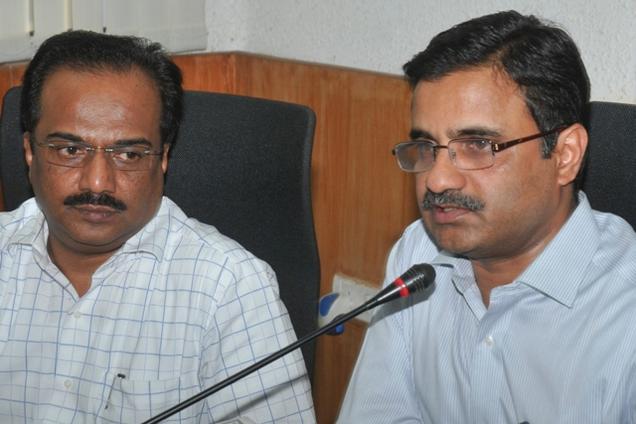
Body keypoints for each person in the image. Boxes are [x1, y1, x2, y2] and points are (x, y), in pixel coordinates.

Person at [0, 30, 315, 423]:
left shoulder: (230, 287)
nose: (97, 182)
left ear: (163, 158)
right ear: (29, 151)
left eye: (129, 154)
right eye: (70, 150)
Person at [338, 10, 636, 423]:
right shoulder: (418, 254)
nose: (437, 179)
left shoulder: (625, 311)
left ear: (565, 155)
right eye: (427, 146)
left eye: (478, 144)